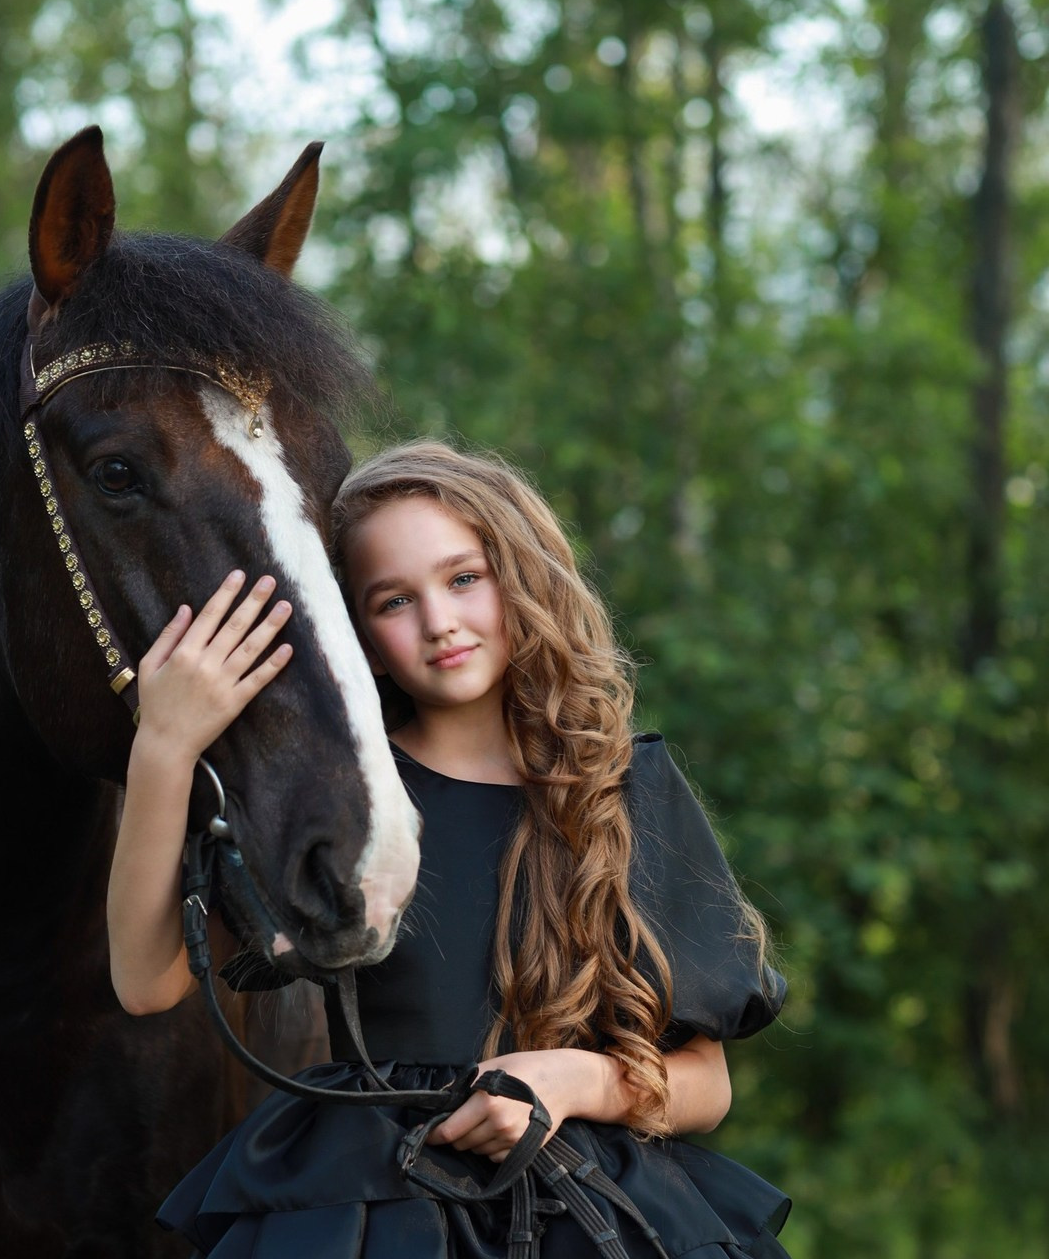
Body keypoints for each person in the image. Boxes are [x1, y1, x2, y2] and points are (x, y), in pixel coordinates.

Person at [107, 439, 791, 1258]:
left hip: (588, 1216)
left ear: (521, 578)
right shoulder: (341, 800)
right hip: (369, 1213)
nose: (439, 623)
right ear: (358, 632)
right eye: (394, 600)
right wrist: (164, 747)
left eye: (464, 579)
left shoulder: (624, 790)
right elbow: (147, 981)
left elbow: (706, 1084)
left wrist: (573, 1080)